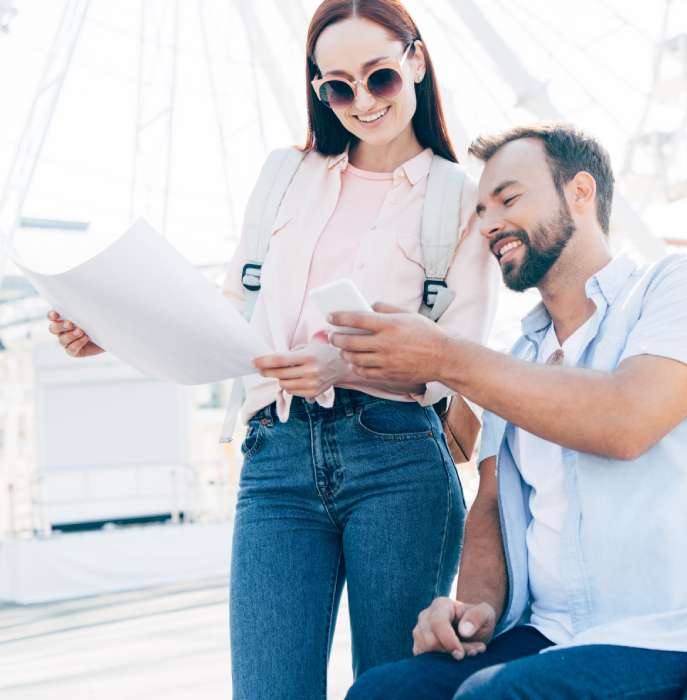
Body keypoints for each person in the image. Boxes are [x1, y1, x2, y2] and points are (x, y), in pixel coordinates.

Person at [47, 0, 498, 694]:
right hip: (276, 455)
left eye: (377, 77)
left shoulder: (458, 197)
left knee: (395, 689)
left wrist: (341, 363)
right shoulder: (285, 176)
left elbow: (458, 356)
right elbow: (232, 311)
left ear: (415, 59)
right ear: (319, 89)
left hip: (397, 457)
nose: (361, 103)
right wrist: (111, 333)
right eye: (337, 87)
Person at [330, 122, 687, 700]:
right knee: (382, 693)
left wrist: (444, 355)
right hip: (553, 633)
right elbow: (490, 503)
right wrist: (476, 609)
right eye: (481, 210)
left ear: (581, 193)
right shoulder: (520, 359)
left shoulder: (682, 289)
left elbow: (625, 421)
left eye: (509, 199)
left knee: (497, 697)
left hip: (684, 632)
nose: (489, 223)